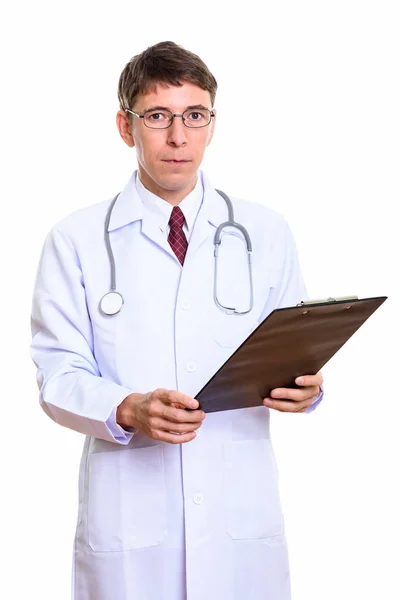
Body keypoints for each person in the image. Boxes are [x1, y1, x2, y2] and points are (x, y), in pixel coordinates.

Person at [31, 41, 323, 600]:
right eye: (158, 117)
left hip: (240, 521)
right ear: (126, 126)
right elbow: (57, 375)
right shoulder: (77, 240)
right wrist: (127, 408)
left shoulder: (265, 232)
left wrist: (305, 389)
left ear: (212, 124)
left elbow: (294, 347)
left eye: (194, 116)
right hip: (132, 527)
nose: (178, 137)